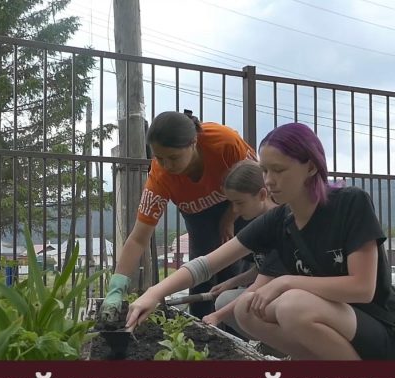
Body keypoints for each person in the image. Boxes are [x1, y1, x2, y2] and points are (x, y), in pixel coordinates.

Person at [125, 122, 395, 360]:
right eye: (264, 170)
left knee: (291, 305)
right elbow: (208, 263)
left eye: (278, 170)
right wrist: (154, 294)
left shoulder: (350, 202)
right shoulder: (280, 219)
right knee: (246, 308)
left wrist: (286, 282)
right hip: (332, 326)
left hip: (377, 327)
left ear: (311, 167)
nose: (269, 180)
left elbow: (362, 288)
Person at [101, 110, 254, 321]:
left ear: (193, 143)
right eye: (159, 158)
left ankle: (241, 328)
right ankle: (202, 329)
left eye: (173, 157)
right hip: (197, 216)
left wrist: (230, 218)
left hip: (238, 203)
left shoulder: (224, 142)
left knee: (239, 265)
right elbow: (138, 238)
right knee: (200, 272)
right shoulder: (160, 177)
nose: (167, 166)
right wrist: (117, 286)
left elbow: (255, 182)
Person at [202, 159, 284, 340]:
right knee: (228, 296)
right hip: (273, 294)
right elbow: (262, 267)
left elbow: (262, 282)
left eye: (239, 203)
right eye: (232, 203)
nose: (235, 210)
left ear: (262, 195)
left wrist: (217, 316)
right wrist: (231, 282)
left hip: (286, 299)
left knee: (226, 301)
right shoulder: (259, 222)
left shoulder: (277, 224)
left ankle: (277, 346)